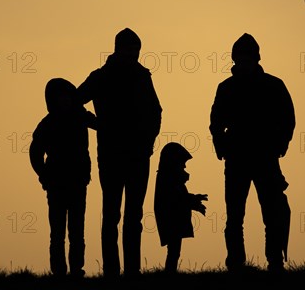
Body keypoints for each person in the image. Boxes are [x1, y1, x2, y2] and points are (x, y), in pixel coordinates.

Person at [77, 28, 162, 278]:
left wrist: (148, 141)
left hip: (132, 154)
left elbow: (156, 111)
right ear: (120, 49)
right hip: (118, 155)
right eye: (130, 49)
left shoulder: (139, 76)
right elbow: (74, 101)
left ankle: (128, 271)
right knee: (116, 214)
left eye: (135, 50)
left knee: (127, 215)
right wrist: (94, 122)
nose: (132, 54)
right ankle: (117, 272)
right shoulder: (103, 77)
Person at [209, 33, 296, 272]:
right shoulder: (226, 88)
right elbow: (216, 121)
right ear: (235, 58)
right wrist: (222, 146)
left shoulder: (273, 85)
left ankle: (275, 262)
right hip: (237, 158)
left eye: (248, 56)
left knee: (272, 213)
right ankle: (236, 264)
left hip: (265, 158)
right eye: (241, 57)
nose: (244, 61)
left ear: (256, 58)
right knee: (235, 216)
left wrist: (280, 144)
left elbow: (287, 119)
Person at [29, 77, 97, 277]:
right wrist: (43, 175)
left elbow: (102, 125)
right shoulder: (47, 124)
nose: (65, 101)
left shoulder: (80, 117)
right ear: (52, 100)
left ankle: (77, 269)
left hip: (78, 182)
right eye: (61, 98)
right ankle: (58, 271)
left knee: (77, 231)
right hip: (56, 184)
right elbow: (35, 152)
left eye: (68, 97)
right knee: (57, 233)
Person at [154, 142, 208, 273]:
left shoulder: (170, 179)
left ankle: (170, 272)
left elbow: (180, 197)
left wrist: (194, 200)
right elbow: (177, 199)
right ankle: (170, 273)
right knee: (174, 250)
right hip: (171, 220)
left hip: (172, 219)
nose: (184, 166)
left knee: (174, 250)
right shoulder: (169, 180)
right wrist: (194, 201)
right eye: (181, 162)